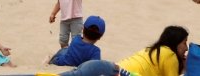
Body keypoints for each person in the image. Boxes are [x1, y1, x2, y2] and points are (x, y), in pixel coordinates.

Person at [55, 25, 189, 76]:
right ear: (175, 42)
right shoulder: (170, 55)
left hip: (103, 68)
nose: (186, 48)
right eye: (184, 43)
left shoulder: (154, 50)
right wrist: (186, 67)